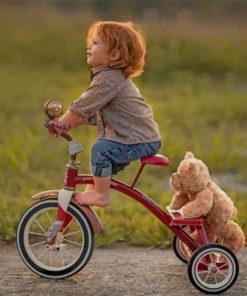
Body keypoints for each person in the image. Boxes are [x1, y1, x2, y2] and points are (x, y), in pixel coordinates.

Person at [49, 21, 161, 207]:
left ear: (114, 54)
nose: (89, 46)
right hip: (137, 138)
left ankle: (101, 196)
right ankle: (92, 197)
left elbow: (83, 106)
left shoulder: (109, 79)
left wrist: (61, 122)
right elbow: (89, 115)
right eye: (90, 42)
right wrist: (67, 125)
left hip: (140, 140)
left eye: (95, 43)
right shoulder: (108, 77)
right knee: (99, 164)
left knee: (100, 150)